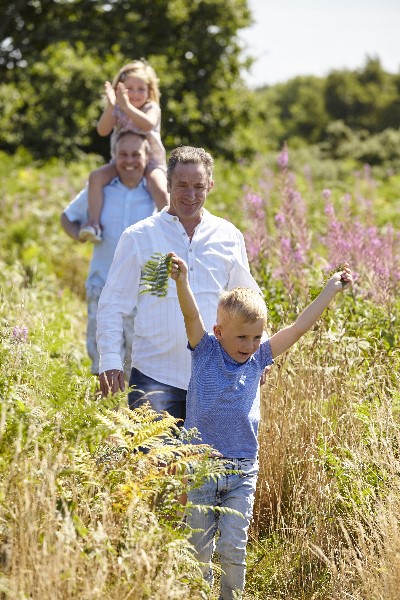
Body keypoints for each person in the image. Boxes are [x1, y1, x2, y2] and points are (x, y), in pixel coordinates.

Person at [168, 252, 353, 600]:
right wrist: (182, 281)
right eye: (241, 338)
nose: (250, 346)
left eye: (256, 338)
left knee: (234, 551)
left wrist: (330, 290)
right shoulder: (204, 350)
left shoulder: (259, 359)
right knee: (198, 552)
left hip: (242, 471)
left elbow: (298, 327)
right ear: (219, 332)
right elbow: (190, 314)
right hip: (201, 469)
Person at [97, 145, 261, 419]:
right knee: (154, 461)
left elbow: (250, 299)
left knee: (210, 463)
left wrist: (258, 350)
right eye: (182, 185)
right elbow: (112, 306)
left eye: (198, 186)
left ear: (210, 185)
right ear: (169, 185)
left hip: (216, 376)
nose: (190, 195)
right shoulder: (139, 237)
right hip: (154, 376)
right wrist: (110, 361)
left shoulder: (228, 235)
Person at [61, 131, 156, 378]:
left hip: (142, 294)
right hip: (101, 286)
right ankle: (106, 414)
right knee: (103, 362)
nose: (129, 161)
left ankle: (132, 415)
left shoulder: (155, 195)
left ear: (147, 157)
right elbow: (67, 217)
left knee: (140, 365)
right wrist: (80, 235)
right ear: (114, 157)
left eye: (136, 154)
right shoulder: (100, 190)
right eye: (122, 154)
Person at [79, 59, 169, 243]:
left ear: (149, 91)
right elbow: (102, 130)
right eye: (129, 88)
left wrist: (126, 107)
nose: (135, 94)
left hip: (151, 163)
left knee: (159, 187)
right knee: (96, 177)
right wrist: (112, 106)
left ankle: (170, 227)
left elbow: (148, 124)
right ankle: (94, 224)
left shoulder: (151, 108)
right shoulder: (118, 109)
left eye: (141, 89)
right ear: (120, 90)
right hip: (121, 163)